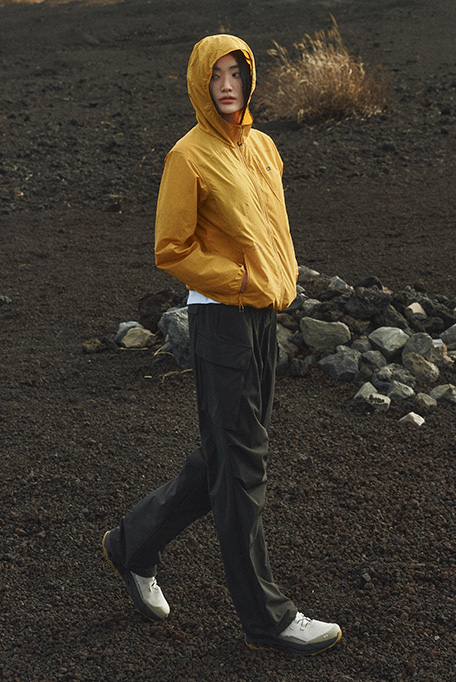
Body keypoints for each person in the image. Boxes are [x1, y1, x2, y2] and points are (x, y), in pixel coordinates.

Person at [102, 33, 341, 656]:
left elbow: (272, 228)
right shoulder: (187, 156)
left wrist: (281, 278)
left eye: (237, 72)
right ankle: (268, 620)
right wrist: (237, 281)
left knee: (226, 455)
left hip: (262, 317)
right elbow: (171, 248)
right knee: (240, 466)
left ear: (249, 78)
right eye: (216, 75)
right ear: (199, 83)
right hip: (220, 320)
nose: (228, 84)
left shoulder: (263, 146)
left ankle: (132, 544)